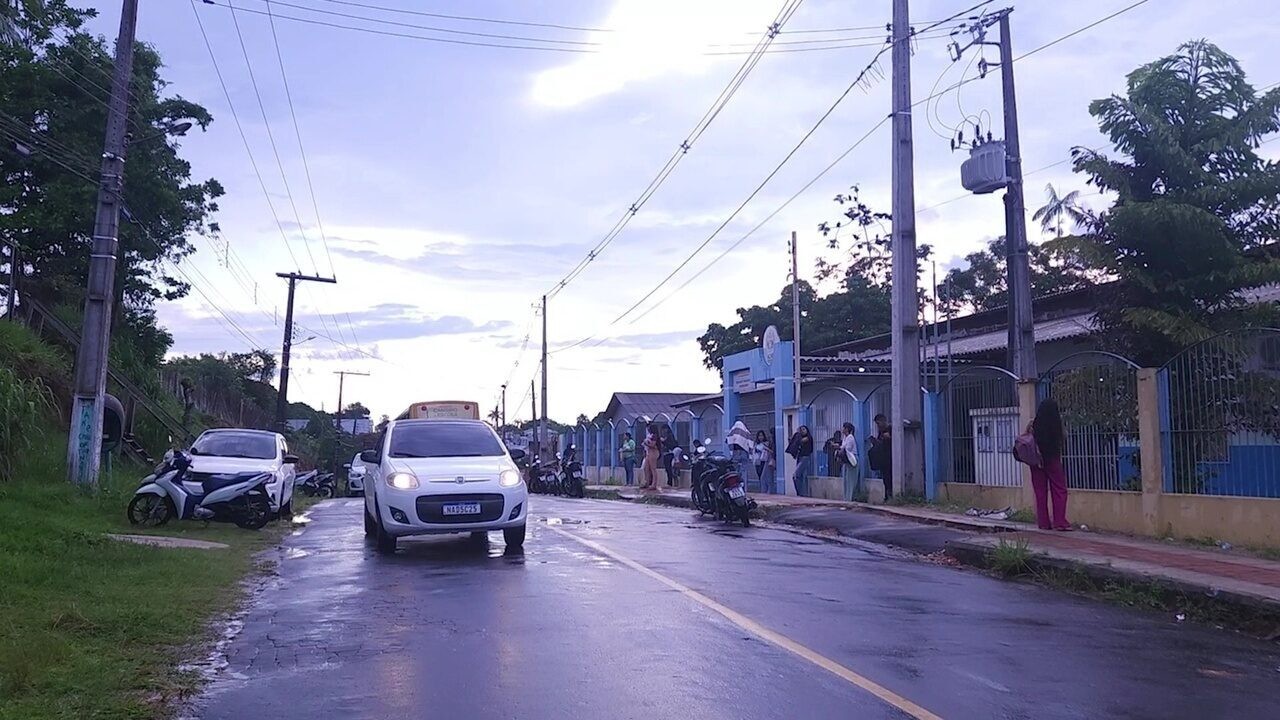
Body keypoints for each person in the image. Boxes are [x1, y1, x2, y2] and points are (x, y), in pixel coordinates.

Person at [1031, 398, 1072, 531]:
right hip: (1052, 460)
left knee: (1040, 492)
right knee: (1059, 489)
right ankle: (1059, 521)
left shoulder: (1033, 425)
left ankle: (1043, 522)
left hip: (1036, 462)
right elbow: (1063, 440)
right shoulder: (1056, 425)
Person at [868, 414, 893, 500]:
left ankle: (891, 495)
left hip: (890, 458)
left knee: (890, 477)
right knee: (885, 479)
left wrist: (889, 438)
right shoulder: (880, 431)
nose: (878, 426)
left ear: (883, 421)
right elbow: (880, 443)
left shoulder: (890, 428)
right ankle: (887, 496)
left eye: (878, 423)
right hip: (883, 459)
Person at [786, 425, 814, 497]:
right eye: (801, 429)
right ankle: (801, 493)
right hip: (800, 457)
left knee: (796, 475)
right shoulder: (798, 437)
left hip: (805, 458)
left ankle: (801, 493)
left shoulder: (808, 438)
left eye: (804, 429)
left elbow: (801, 441)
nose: (802, 431)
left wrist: (797, 434)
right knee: (800, 476)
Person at [726, 421, 753, 485]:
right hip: (744, 453)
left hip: (735, 453)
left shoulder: (733, 430)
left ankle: (735, 485)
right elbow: (751, 443)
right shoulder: (746, 432)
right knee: (744, 471)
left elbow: (727, 440)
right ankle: (744, 487)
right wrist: (751, 455)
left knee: (735, 471)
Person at [840, 422, 859, 502]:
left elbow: (848, 449)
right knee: (845, 480)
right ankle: (846, 498)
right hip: (846, 460)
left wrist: (840, 448)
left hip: (851, 459)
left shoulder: (850, 437)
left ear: (847, 429)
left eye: (843, 427)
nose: (842, 429)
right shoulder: (845, 437)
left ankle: (850, 498)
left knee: (851, 480)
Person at [640, 423, 661, 491]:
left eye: (649, 428)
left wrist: (645, 443)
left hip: (653, 452)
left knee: (653, 468)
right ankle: (647, 482)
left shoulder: (655, 436)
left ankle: (654, 484)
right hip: (649, 452)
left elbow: (653, 444)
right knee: (646, 468)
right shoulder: (649, 435)